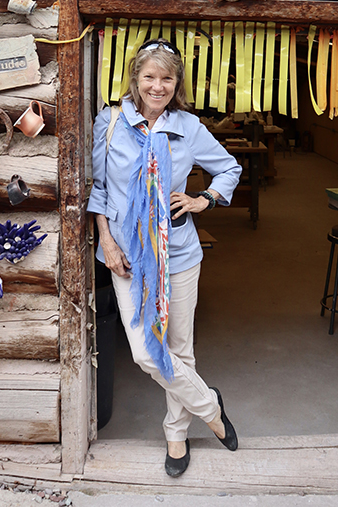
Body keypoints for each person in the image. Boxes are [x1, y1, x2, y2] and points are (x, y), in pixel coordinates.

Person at [87, 37, 242, 477]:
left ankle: (176, 436)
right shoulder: (111, 122)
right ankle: (210, 407)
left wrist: (203, 199)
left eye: (167, 79)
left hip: (179, 252)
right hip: (127, 255)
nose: (158, 87)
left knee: (179, 349)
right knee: (144, 352)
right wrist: (108, 241)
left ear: (177, 83)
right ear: (136, 78)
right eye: (150, 77)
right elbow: (98, 188)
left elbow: (229, 167)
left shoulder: (188, 127)